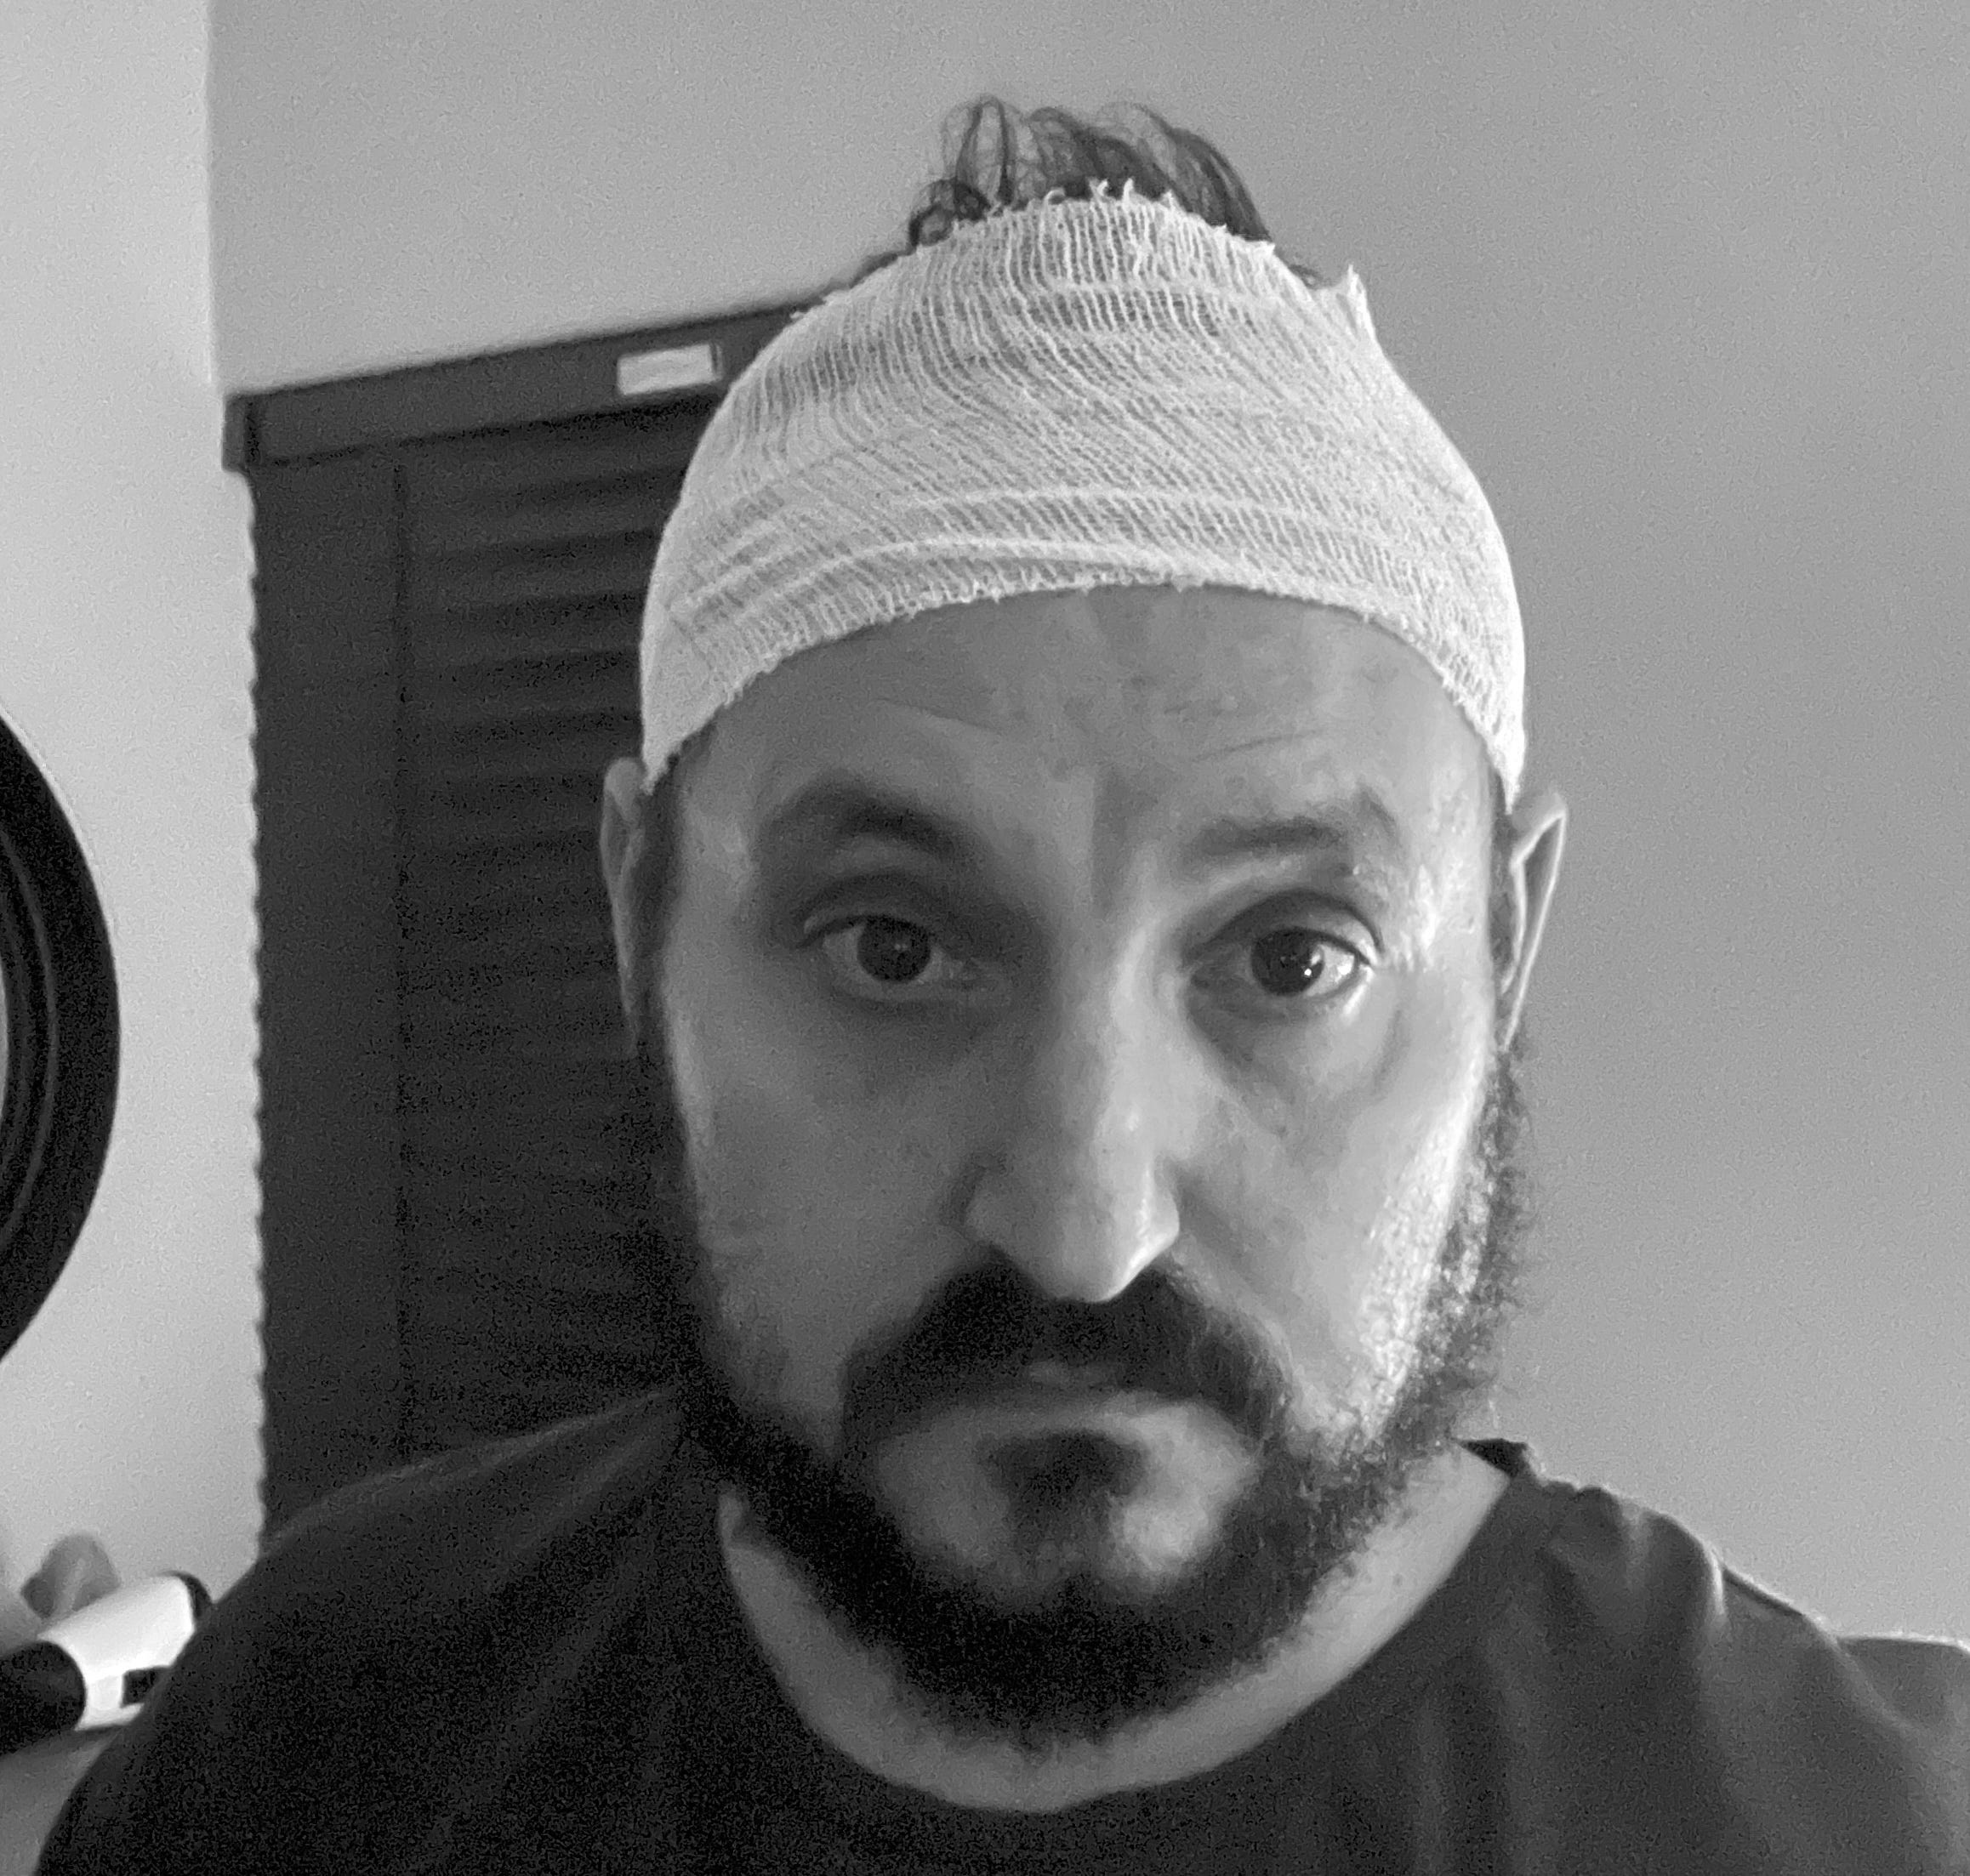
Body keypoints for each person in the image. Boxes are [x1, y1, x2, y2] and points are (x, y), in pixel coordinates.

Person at [37, 98, 1969, 1874]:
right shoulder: (313, 1732)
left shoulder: (1869, 1822)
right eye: (892, 944)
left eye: (1290, 957)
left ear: (1505, 946)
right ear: (639, 925)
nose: (1081, 1227)